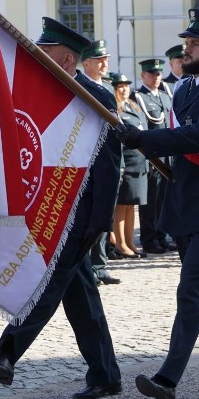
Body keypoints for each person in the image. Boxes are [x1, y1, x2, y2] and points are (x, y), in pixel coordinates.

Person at [0, 17, 123, 399]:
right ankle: (105, 374)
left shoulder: (98, 99)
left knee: (47, 284)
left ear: (69, 60)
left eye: (47, 55)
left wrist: (101, 220)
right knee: (80, 295)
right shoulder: (47, 95)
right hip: (49, 209)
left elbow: (109, 166)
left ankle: (8, 354)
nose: (39, 61)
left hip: (79, 214)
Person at [116, 8, 199, 399]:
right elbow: (180, 134)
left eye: (195, 44)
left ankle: (168, 378)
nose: (186, 48)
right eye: (187, 43)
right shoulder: (187, 88)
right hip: (188, 204)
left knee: (191, 289)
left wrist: (144, 138)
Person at [79, 39, 121, 286]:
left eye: (106, 59)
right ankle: (90, 266)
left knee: (104, 212)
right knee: (92, 214)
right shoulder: (82, 87)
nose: (104, 63)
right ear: (86, 63)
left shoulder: (105, 88)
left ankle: (100, 264)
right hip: (91, 160)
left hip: (109, 159)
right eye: (99, 60)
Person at [132, 58, 175, 255]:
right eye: (151, 74)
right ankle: (149, 239)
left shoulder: (165, 97)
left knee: (164, 199)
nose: (156, 77)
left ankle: (161, 235)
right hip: (152, 157)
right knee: (150, 201)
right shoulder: (139, 97)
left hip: (167, 156)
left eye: (158, 74)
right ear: (143, 76)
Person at [110, 73, 147, 258]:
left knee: (132, 205)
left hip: (139, 162)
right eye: (120, 87)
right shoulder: (116, 109)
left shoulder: (133, 106)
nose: (124, 90)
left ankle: (130, 241)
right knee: (121, 205)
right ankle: (121, 244)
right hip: (127, 161)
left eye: (126, 86)